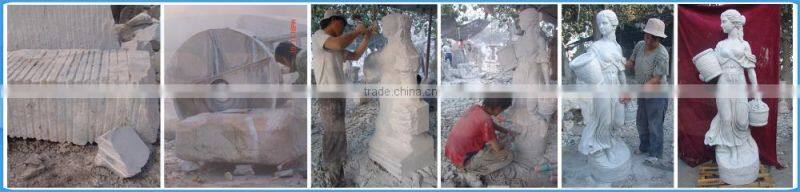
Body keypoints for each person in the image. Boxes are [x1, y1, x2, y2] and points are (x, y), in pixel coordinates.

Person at [312, 10, 374, 186]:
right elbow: (338, 44)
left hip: (338, 94)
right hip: (328, 95)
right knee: (334, 133)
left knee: (335, 130)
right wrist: (357, 31)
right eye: (343, 24)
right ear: (333, 20)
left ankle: (333, 160)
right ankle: (336, 180)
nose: (344, 28)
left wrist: (366, 38)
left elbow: (354, 56)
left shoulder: (334, 45)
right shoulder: (319, 36)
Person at [624, 18, 669, 166]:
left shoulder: (662, 54)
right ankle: (644, 146)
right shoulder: (639, 45)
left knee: (654, 124)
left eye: (653, 38)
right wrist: (621, 62)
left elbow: (655, 79)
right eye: (647, 36)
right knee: (641, 121)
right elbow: (631, 62)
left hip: (657, 93)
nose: (648, 41)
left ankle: (655, 153)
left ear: (659, 38)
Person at [445, 97, 515, 187]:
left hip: (452, 153)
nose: (502, 112)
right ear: (498, 108)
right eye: (503, 110)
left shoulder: (475, 108)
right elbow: (497, 148)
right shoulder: (486, 121)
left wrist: (506, 131)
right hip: (463, 160)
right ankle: (471, 172)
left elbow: (491, 124)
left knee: (492, 142)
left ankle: (468, 165)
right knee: (508, 155)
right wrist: (507, 141)